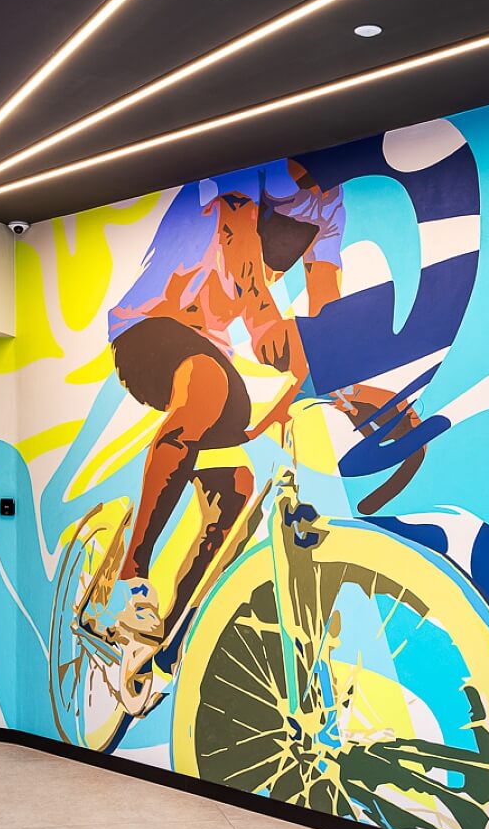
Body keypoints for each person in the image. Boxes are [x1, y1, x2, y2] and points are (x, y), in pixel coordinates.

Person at [101, 160, 343, 713]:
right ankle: (131, 578)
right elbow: (248, 273)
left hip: (213, 347)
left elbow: (327, 313)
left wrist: (346, 381)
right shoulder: (248, 172)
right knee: (206, 387)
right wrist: (284, 338)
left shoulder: (331, 207)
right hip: (149, 327)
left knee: (236, 489)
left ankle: (162, 647)